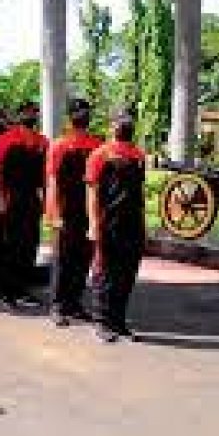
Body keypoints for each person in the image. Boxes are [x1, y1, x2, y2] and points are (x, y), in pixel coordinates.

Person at [86, 109, 146, 343]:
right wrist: (92, 224)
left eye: (128, 122)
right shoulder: (99, 155)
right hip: (107, 222)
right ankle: (102, 322)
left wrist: (143, 225)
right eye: (121, 122)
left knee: (127, 273)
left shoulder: (138, 155)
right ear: (112, 126)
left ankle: (119, 321)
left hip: (132, 224)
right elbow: (91, 192)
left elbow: (139, 193)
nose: (125, 126)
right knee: (105, 274)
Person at [45, 98, 103, 326]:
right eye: (79, 112)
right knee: (63, 259)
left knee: (83, 258)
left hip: (86, 210)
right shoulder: (59, 145)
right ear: (71, 116)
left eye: (86, 112)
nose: (83, 116)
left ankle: (75, 303)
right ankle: (58, 306)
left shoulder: (96, 144)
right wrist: (54, 213)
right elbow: (52, 180)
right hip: (65, 210)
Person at [0, 101, 48, 310]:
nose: (31, 115)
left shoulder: (42, 142)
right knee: (10, 245)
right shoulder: (6, 139)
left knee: (30, 244)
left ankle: (23, 289)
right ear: (19, 115)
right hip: (11, 197)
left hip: (32, 198)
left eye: (34, 112)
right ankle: (7, 292)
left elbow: (44, 175)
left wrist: (46, 199)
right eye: (27, 112)